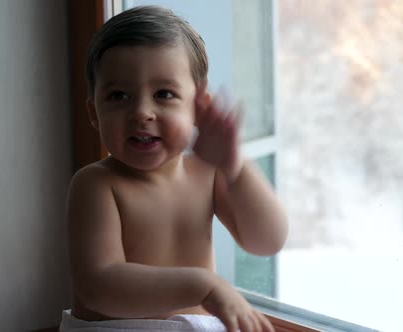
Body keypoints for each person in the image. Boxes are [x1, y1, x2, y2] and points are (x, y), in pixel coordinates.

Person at [59, 5, 288, 332]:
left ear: (198, 106)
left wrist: (235, 168)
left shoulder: (207, 174)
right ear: (94, 113)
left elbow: (267, 240)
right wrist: (204, 286)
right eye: (118, 95)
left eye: (164, 93)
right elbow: (100, 286)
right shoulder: (96, 184)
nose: (142, 112)